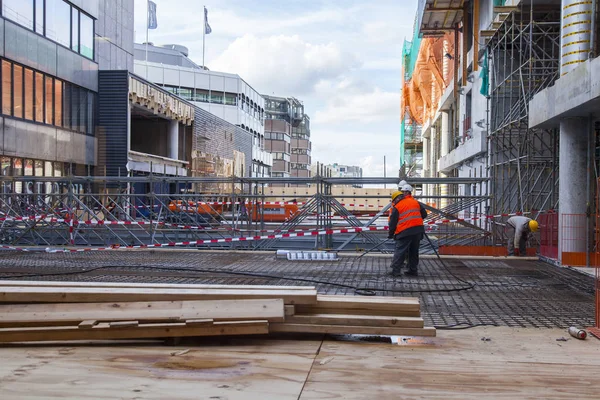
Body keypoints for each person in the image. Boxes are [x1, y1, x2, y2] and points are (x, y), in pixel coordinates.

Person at [388, 184, 427, 277]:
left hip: (405, 231)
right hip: (418, 230)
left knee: (400, 250)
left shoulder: (398, 206)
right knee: (414, 251)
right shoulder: (415, 202)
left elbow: (392, 223)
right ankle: (413, 270)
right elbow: (424, 215)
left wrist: (391, 234)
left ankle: (396, 271)